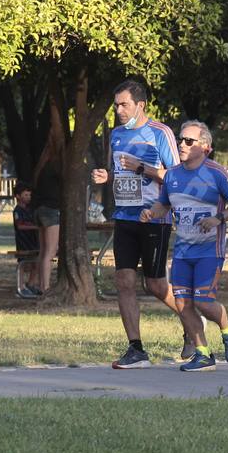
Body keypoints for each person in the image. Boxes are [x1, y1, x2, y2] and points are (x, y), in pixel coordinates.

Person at [139, 120, 228, 372]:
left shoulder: (217, 173)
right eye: (180, 140)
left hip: (210, 250)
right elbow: (163, 204)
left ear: (205, 147)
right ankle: (203, 353)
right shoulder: (173, 175)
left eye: (189, 141)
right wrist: (151, 213)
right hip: (183, 251)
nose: (182, 144)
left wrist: (218, 218)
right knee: (182, 303)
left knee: (204, 302)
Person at [90, 80, 181, 368]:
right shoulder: (116, 135)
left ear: (140, 105)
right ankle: (136, 348)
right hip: (125, 216)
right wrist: (108, 177)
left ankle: (193, 322)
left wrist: (142, 167)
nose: (118, 110)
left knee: (155, 285)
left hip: (154, 217)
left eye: (124, 104)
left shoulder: (160, 133)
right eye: (116, 105)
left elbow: (177, 177)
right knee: (123, 281)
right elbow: (120, 174)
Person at [29, 140, 62, 297]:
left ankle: (41, 284)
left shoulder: (41, 168)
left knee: (43, 251)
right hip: (51, 210)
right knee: (51, 251)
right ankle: (46, 287)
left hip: (40, 210)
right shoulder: (55, 167)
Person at [11, 182, 42, 299]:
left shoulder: (30, 210)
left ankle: (31, 284)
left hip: (33, 242)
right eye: (25, 195)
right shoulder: (17, 211)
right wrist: (35, 227)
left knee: (36, 263)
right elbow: (20, 226)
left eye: (29, 195)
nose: (28, 198)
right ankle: (21, 287)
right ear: (18, 196)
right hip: (23, 242)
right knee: (23, 265)